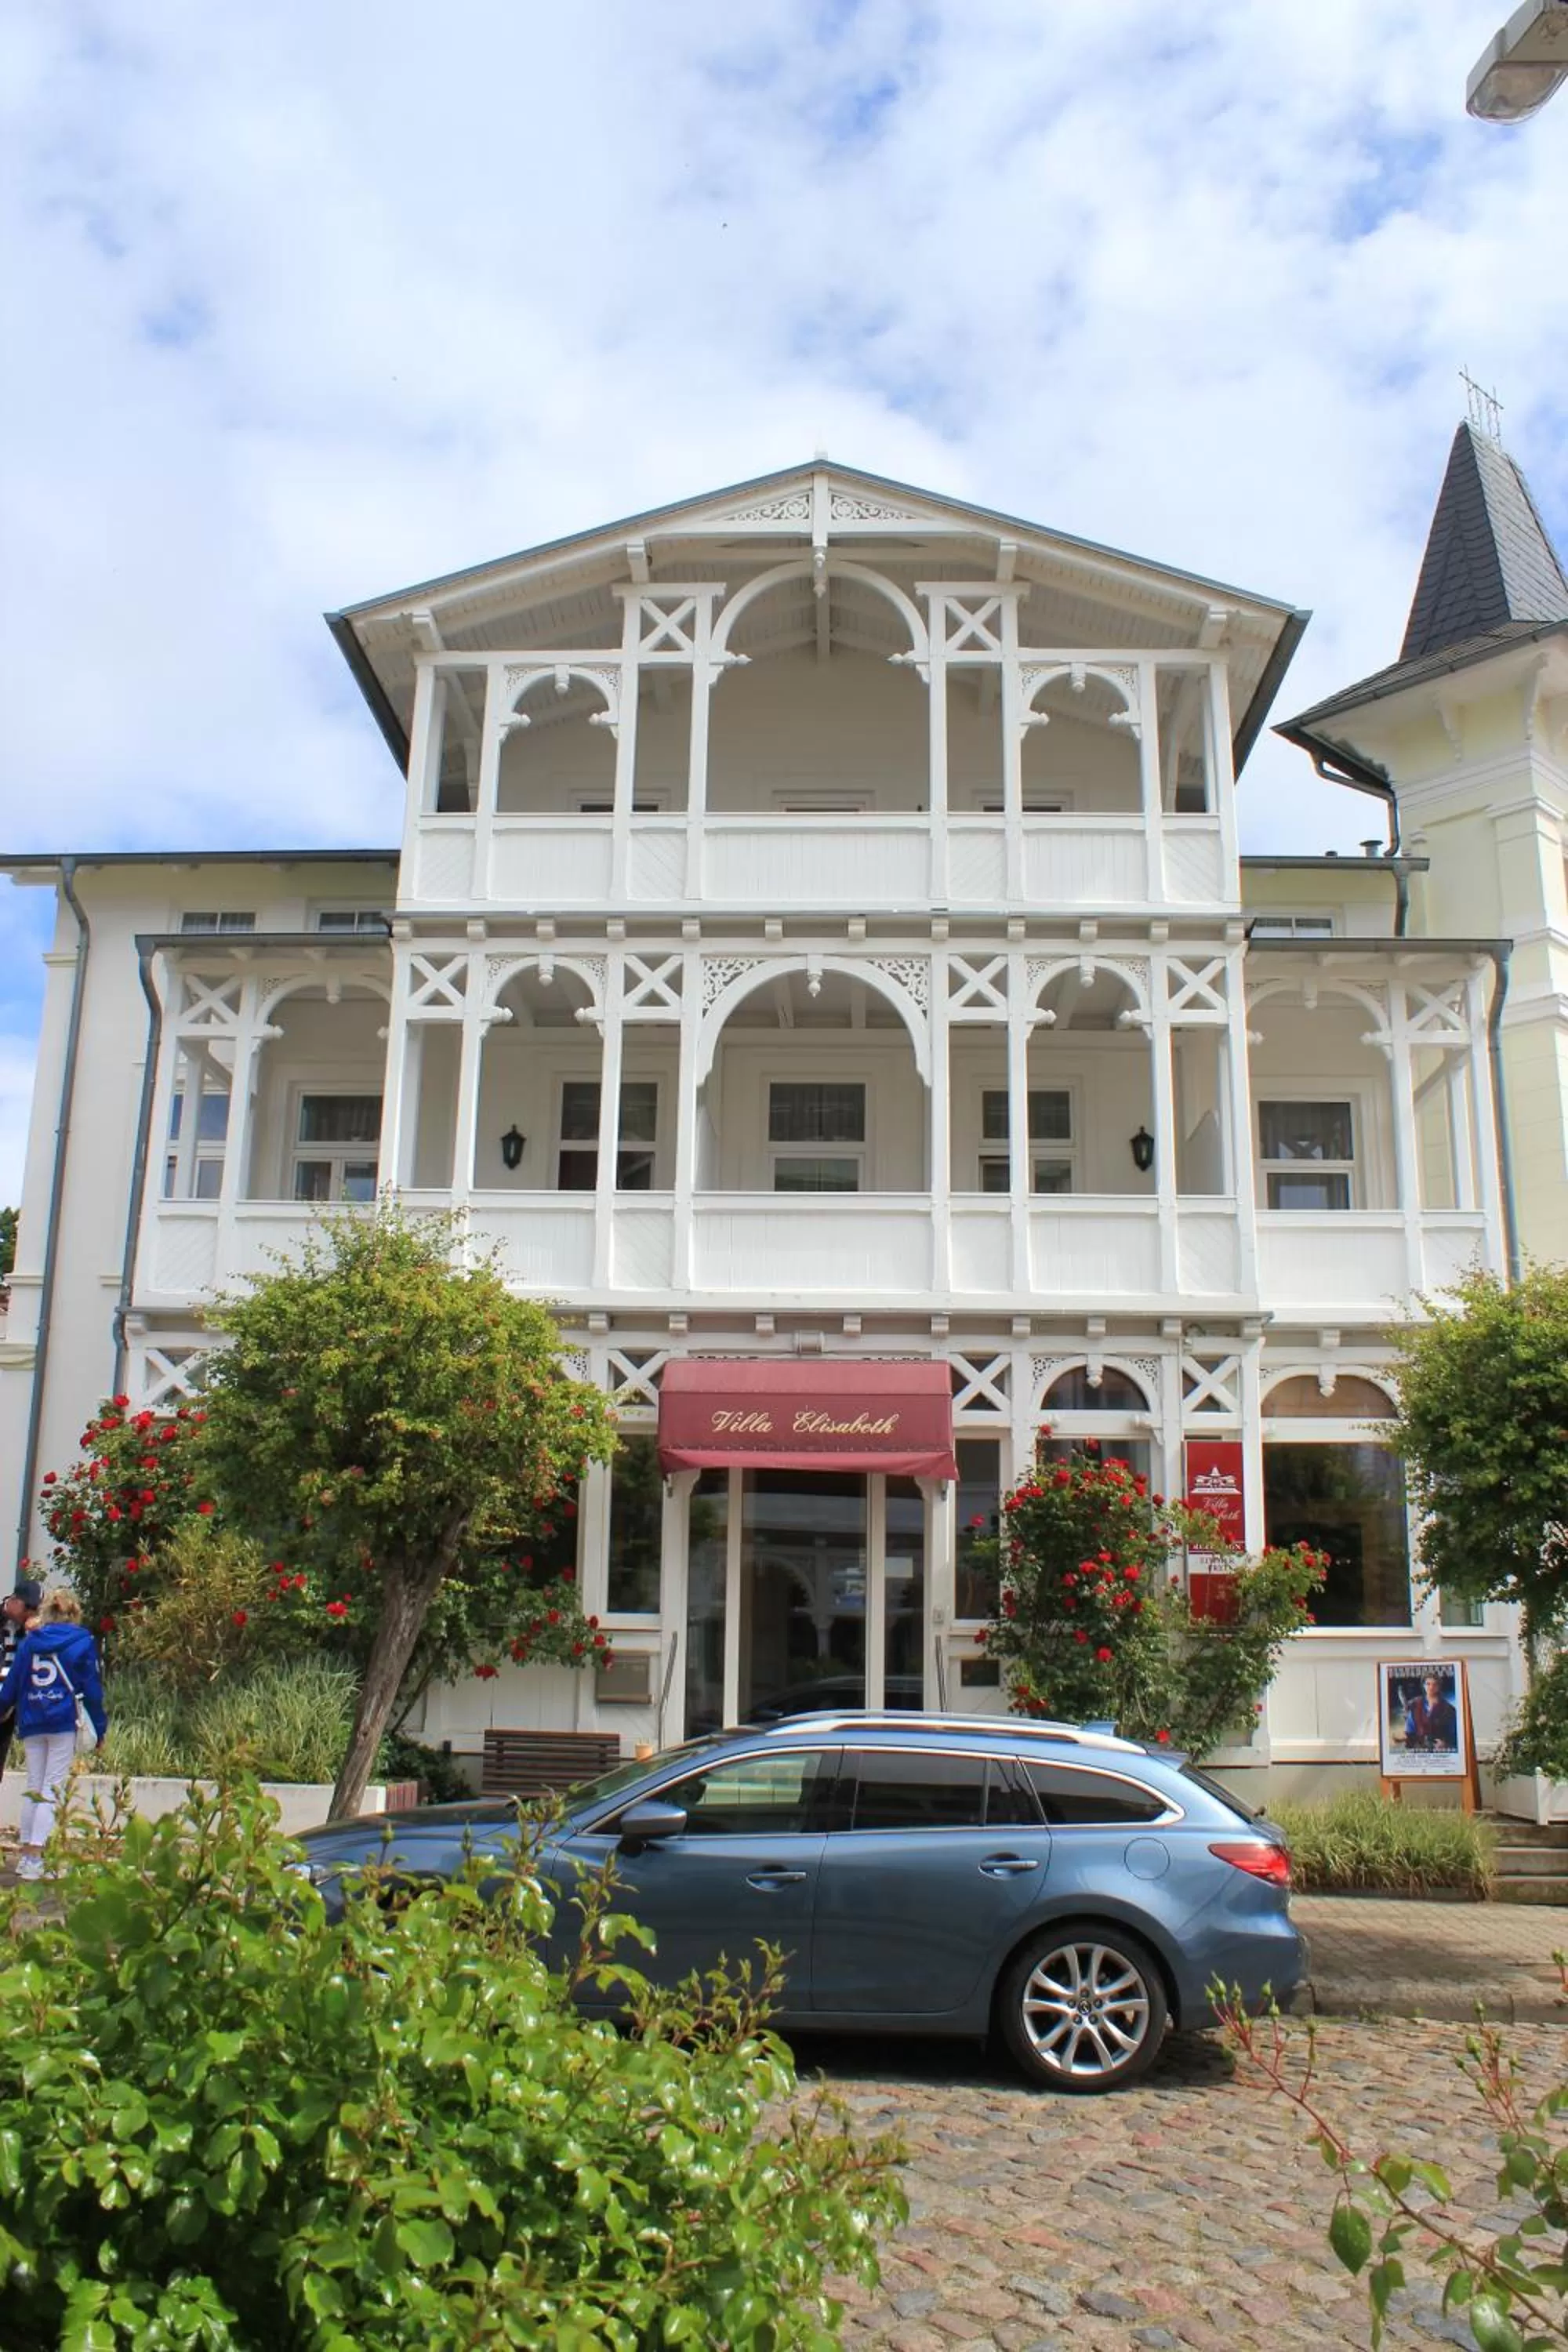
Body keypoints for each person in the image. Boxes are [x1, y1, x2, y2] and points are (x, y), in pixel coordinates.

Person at [0, 1588, 107, 1881]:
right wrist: (100, 1727)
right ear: (74, 1613)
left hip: (32, 1719)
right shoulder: (82, 1641)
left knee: (35, 1786)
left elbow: (12, 1684)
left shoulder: (31, 1641)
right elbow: (93, 1690)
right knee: (52, 1787)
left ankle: (26, 1856)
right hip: (62, 1721)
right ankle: (38, 1857)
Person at [0, 1577, 43, 1784]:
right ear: (15, 1601)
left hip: (10, 1703)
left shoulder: (32, 1630)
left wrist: (33, 1632)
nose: (31, 1615)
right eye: (29, 1608)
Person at [1403, 1671, 1458, 1752]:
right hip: (1419, 1750)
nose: (1431, 1687)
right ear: (1423, 1686)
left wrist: (1446, 1744)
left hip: (1440, 1752)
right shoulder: (1415, 1704)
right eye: (1428, 1684)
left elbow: (1455, 1735)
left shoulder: (1449, 1709)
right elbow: (1410, 1729)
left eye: (1435, 1684)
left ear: (1439, 1687)